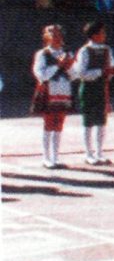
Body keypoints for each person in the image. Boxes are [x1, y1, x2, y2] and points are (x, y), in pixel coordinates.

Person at [73, 21, 114, 165]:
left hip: (102, 87)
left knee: (101, 121)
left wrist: (112, 72)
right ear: (94, 35)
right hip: (88, 88)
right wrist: (101, 72)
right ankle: (88, 154)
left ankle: (99, 153)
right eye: (102, 32)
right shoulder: (84, 51)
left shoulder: (107, 49)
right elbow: (80, 73)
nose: (104, 35)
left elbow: (112, 66)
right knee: (88, 122)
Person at [32, 25, 75, 169]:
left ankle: (56, 158)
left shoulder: (67, 53)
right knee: (49, 124)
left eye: (59, 34)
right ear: (46, 37)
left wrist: (69, 67)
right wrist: (58, 65)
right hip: (49, 92)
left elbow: (75, 75)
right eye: (53, 34)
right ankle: (46, 158)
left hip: (64, 91)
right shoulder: (42, 54)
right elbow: (40, 74)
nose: (57, 37)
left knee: (59, 125)